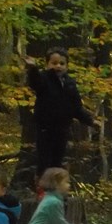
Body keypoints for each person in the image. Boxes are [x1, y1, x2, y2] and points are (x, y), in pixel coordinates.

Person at [23, 47, 99, 181]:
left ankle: (55, 188)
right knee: (44, 161)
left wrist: (91, 121)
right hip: (45, 129)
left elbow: (76, 108)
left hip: (62, 129)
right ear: (47, 64)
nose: (58, 66)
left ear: (67, 66)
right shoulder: (44, 79)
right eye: (54, 63)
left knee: (57, 161)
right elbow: (35, 83)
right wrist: (33, 68)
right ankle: (41, 186)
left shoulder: (70, 84)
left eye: (62, 63)